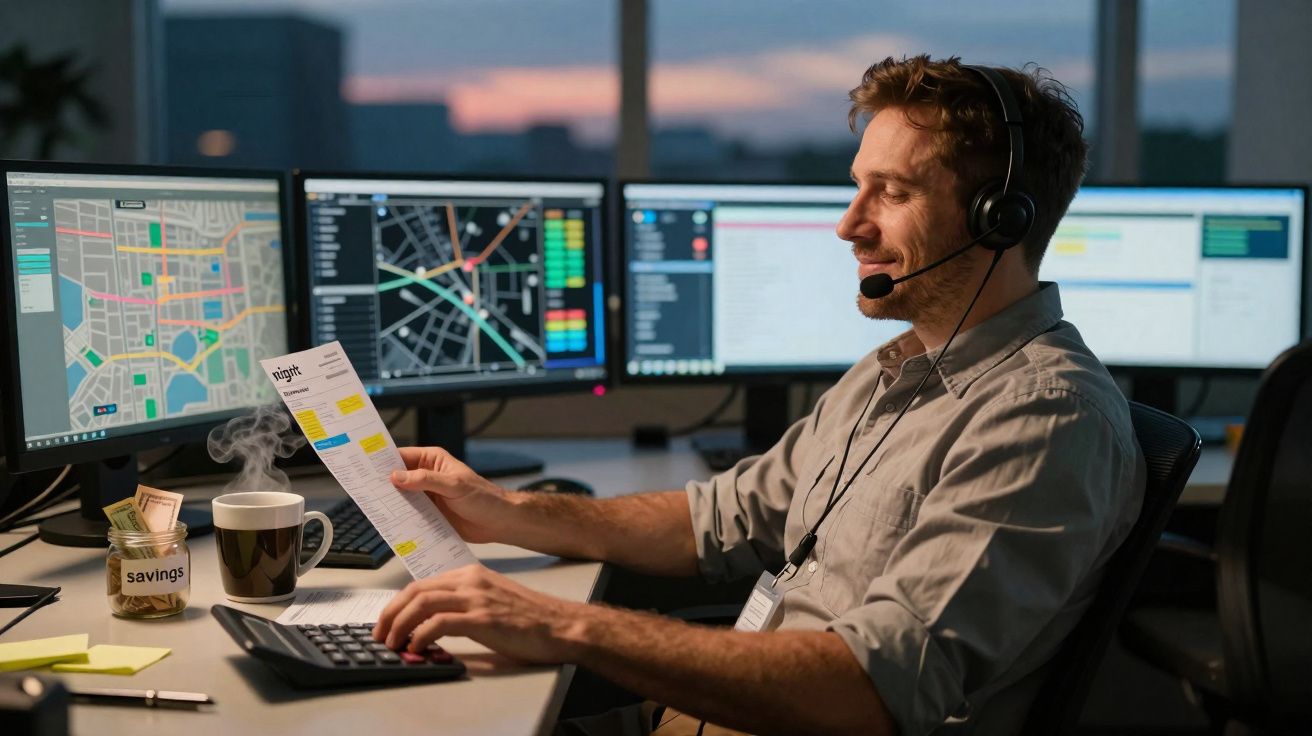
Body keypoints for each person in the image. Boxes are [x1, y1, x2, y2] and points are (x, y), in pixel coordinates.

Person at [371, 55, 1146, 736]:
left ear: (999, 220)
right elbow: (719, 518)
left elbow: (873, 691)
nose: (849, 225)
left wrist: (560, 623)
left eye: (893, 193)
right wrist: (512, 515)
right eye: (856, 188)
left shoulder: (1043, 418)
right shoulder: (896, 372)